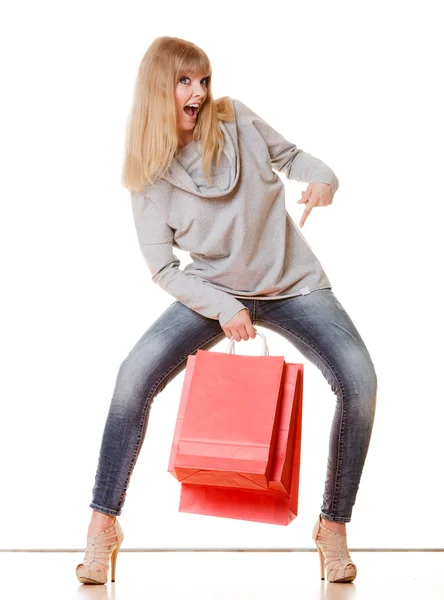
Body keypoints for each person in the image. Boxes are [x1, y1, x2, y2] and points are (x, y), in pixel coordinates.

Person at [76, 36, 377, 585]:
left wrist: (323, 177)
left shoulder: (233, 119)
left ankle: (332, 526)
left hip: (293, 284)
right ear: (157, 90)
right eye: (185, 81)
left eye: (204, 79)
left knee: (359, 379)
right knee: (132, 378)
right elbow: (163, 267)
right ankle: (103, 527)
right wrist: (222, 306)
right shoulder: (147, 172)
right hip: (213, 290)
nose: (199, 92)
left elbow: (293, 157)